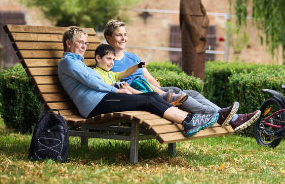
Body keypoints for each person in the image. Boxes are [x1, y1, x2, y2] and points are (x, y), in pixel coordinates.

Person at [55, 27, 209, 134]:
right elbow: (91, 81)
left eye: (86, 43)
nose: (84, 46)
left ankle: (190, 118)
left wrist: (115, 85)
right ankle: (189, 122)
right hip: (95, 105)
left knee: (152, 96)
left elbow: (94, 80)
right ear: (69, 43)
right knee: (148, 102)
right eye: (80, 42)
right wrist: (116, 89)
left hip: (102, 99)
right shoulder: (68, 62)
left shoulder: (77, 63)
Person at [101, 19, 241, 128]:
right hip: (137, 94)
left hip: (151, 90)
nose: (123, 38)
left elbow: (148, 77)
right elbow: (113, 83)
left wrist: (160, 91)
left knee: (191, 93)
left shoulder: (133, 57)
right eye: (119, 35)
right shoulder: (108, 61)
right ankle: (219, 115)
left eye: (125, 35)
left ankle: (227, 115)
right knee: (180, 95)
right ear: (108, 38)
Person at [179, 0, 209, 78]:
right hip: (191, 28)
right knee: (191, 61)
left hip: (200, 26)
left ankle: (199, 81)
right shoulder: (186, 0)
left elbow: (203, 11)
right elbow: (185, 13)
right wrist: (194, 28)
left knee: (199, 62)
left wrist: (203, 22)